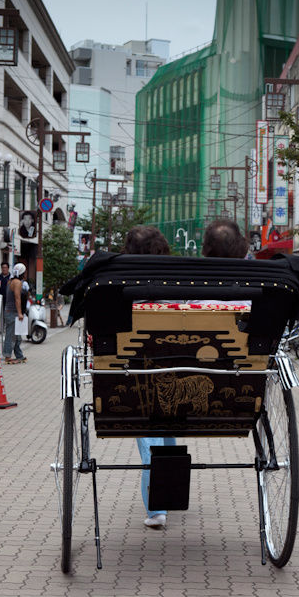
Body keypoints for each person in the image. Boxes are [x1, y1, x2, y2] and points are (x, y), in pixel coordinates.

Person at [123, 226, 176, 530]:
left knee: (151, 425)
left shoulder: (117, 284)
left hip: (137, 375)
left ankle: (158, 505)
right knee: (167, 415)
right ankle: (169, 488)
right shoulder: (181, 282)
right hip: (185, 374)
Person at [3, 263, 27, 364]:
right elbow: (17, 298)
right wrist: (20, 313)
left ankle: (19, 355)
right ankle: (7, 356)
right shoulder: (17, 282)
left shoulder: (11, 281)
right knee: (11, 335)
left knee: (17, 335)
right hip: (12, 312)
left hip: (10, 311)